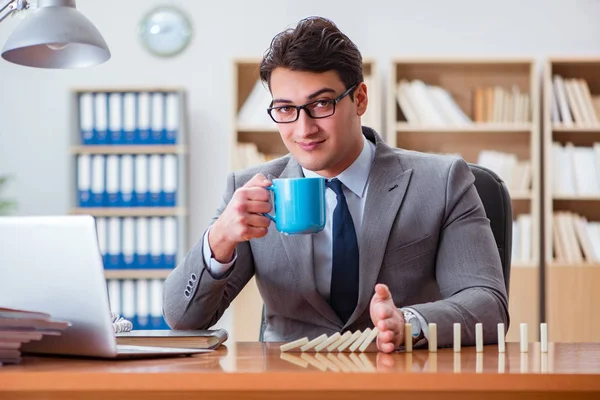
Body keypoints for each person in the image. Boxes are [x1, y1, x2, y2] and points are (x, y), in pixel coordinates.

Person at [163, 16, 508, 353]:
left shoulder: (442, 181)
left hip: (400, 379)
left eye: (321, 104)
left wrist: (409, 323)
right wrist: (220, 238)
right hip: (291, 383)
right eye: (285, 109)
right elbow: (183, 320)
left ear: (359, 99)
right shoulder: (252, 190)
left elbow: (487, 304)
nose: (303, 129)